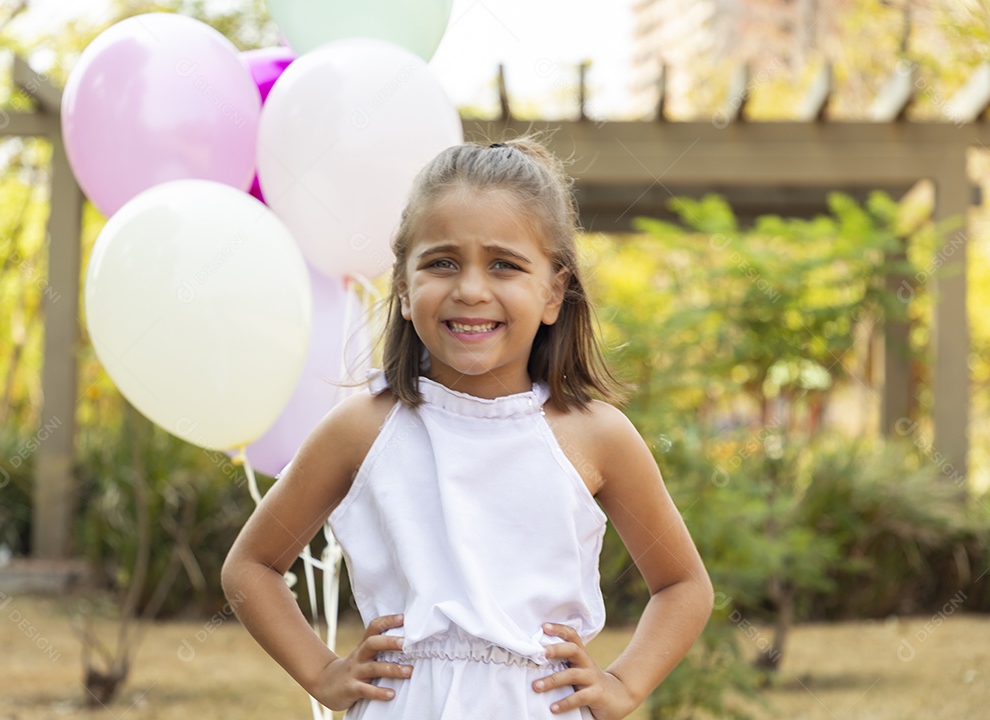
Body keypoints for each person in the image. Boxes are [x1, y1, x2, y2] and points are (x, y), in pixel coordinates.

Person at [221, 137, 713, 719]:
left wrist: (624, 685)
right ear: (403, 287)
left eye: (504, 264)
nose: (471, 289)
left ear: (554, 291)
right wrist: (324, 672)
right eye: (441, 263)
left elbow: (683, 585)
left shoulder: (595, 434)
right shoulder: (362, 429)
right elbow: (250, 568)